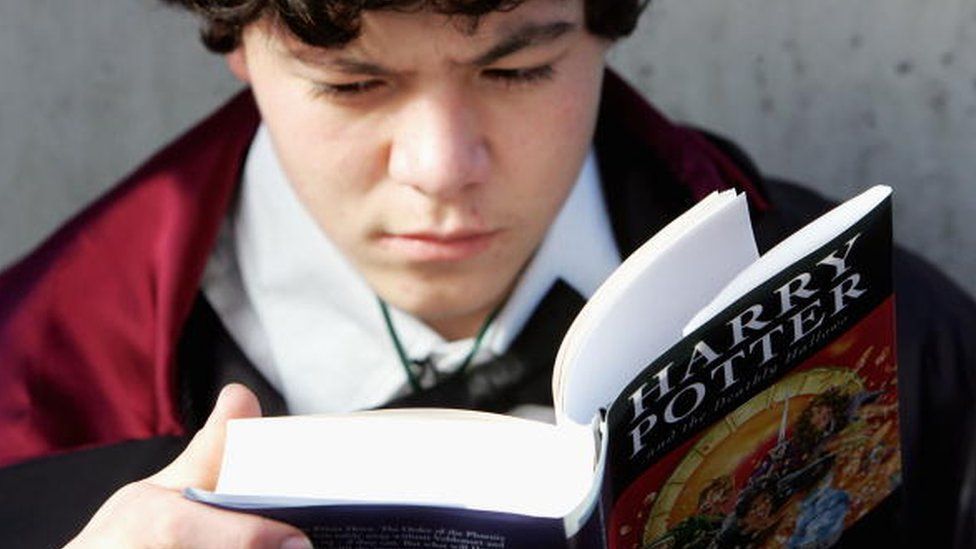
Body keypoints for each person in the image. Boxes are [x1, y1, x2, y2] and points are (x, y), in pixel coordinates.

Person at [0, 0, 974, 547]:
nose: (440, 167)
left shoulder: (899, 341)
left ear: (601, 27)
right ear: (239, 47)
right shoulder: (27, 405)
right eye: (351, 83)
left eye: (515, 72)